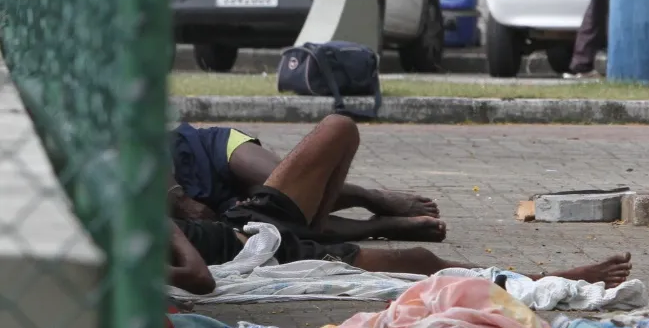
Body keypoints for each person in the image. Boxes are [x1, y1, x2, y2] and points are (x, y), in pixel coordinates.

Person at [168, 115, 633, 295]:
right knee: (419, 261)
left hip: (247, 222)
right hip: (268, 254)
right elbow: (200, 278)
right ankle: (558, 278)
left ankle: (335, 219)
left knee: (338, 127)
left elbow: (191, 269)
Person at [168, 122, 444, 242]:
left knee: (278, 183)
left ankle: (369, 197)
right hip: (213, 211)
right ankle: (378, 227)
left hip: (200, 151)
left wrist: (179, 197)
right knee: (284, 221)